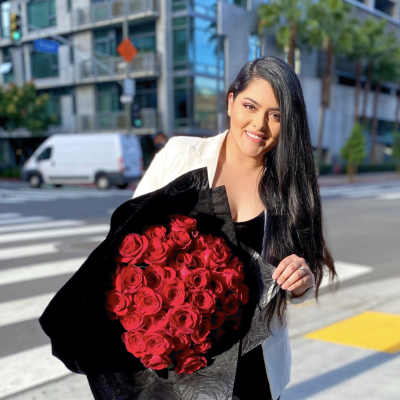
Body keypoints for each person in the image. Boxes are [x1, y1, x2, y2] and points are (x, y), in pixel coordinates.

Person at [127, 56, 336, 400]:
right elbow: (127, 246)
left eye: (276, 115)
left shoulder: (290, 188)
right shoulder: (181, 155)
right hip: (175, 362)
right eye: (250, 106)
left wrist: (302, 280)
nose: (259, 124)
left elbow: (307, 267)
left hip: (252, 372)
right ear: (230, 102)